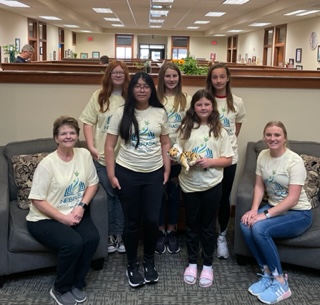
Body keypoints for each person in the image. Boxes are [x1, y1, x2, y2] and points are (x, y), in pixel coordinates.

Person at [105, 72, 171, 288]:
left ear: (152, 89)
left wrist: (167, 169)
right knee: (132, 222)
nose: (142, 89)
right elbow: (109, 145)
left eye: (146, 86)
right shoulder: (121, 112)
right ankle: (132, 265)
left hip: (153, 173)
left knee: (152, 221)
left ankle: (149, 262)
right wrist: (111, 174)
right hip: (127, 173)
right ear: (131, 89)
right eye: (137, 86)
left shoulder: (160, 112)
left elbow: (165, 143)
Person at [26, 115, 100, 305]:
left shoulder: (83, 155)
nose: (68, 136)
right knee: (73, 243)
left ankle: (77, 282)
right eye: (63, 133)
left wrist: (82, 206)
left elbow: (93, 184)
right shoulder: (47, 164)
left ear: (77, 136)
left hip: (75, 211)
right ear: (56, 138)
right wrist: (62, 218)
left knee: (92, 238)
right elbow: (36, 200)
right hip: (44, 218)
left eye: (72, 132)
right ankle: (60, 288)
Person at [240, 121, 312, 304]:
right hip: (274, 207)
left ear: (284, 138)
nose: (272, 138)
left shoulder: (294, 161)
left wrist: (264, 216)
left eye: (277, 135)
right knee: (245, 223)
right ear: (264, 137)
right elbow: (258, 185)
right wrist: (254, 210)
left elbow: (293, 199)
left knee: (259, 228)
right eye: (269, 135)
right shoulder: (263, 155)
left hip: (298, 213)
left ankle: (281, 282)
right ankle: (266, 273)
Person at [177, 89, 233, 288]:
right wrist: (185, 160)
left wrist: (210, 162)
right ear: (193, 107)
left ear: (212, 107)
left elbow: (228, 159)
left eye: (206, 104)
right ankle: (192, 262)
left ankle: (207, 264)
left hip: (212, 184)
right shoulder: (185, 127)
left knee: (208, 226)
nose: (203, 108)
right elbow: (176, 151)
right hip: (190, 184)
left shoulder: (220, 130)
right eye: (199, 104)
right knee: (192, 225)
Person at [79, 60, 129, 254]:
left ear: (126, 76)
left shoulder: (130, 97)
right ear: (108, 75)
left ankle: (120, 235)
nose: (117, 75)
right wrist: (91, 145)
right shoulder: (99, 96)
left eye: (121, 73)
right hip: (101, 156)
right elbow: (88, 122)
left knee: (121, 197)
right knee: (109, 196)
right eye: (114, 72)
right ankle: (110, 235)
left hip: (124, 158)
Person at [205, 62, 246, 259]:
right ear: (210, 80)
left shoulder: (237, 102)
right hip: (207, 157)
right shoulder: (205, 100)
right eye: (215, 77)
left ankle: (221, 236)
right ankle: (207, 234)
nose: (219, 80)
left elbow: (235, 130)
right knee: (207, 196)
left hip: (229, 157)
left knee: (223, 196)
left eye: (222, 76)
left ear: (228, 78)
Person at [155, 62, 192, 254]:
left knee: (174, 193)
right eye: (167, 76)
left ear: (179, 78)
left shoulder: (186, 99)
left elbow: (192, 127)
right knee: (160, 194)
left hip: (179, 154)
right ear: (162, 78)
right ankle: (160, 230)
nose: (171, 79)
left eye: (174, 76)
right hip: (157, 153)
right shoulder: (154, 98)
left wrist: (183, 154)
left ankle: (172, 230)